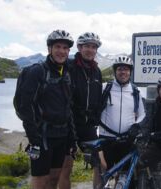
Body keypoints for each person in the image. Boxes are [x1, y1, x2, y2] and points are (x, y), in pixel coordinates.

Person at [19, 29, 76, 189]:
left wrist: (71, 137)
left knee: (54, 178)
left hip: (61, 135)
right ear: (49, 49)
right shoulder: (37, 71)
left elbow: (68, 107)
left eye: (65, 48)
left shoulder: (66, 73)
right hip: (42, 136)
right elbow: (25, 107)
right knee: (40, 180)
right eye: (57, 47)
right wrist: (33, 138)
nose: (61, 51)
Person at [58, 32, 103, 189]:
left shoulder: (97, 71)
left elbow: (98, 98)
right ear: (79, 47)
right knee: (66, 167)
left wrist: (96, 118)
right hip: (68, 125)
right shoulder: (68, 67)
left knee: (100, 164)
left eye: (93, 47)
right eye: (87, 46)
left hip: (88, 126)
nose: (90, 50)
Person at [97, 55, 146, 188]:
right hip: (106, 138)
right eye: (120, 69)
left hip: (126, 139)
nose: (123, 72)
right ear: (115, 71)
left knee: (125, 176)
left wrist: (136, 126)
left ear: (130, 72)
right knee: (102, 174)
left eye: (126, 69)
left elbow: (142, 114)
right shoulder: (104, 88)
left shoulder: (136, 91)